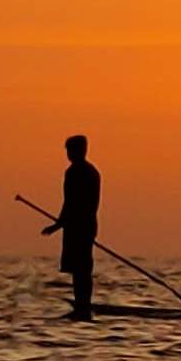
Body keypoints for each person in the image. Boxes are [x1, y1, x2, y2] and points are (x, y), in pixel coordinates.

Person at [41, 135, 101, 321]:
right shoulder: (92, 172)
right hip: (87, 225)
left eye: (70, 150)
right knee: (81, 268)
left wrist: (57, 225)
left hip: (78, 227)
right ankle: (83, 304)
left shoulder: (75, 173)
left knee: (80, 269)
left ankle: (83, 307)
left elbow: (71, 203)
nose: (68, 154)